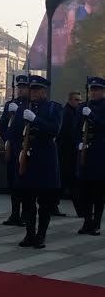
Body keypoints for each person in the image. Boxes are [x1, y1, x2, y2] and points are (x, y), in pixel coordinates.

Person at [13, 75, 62, 249]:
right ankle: (30, 234)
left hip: (45, 159)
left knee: (45, 202)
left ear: (44, 91)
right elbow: (14, 131)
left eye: (36, 89)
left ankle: (41, 235)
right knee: (27, 200)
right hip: (27, 158)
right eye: (31, 89)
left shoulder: (53, 108)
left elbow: (54, 130)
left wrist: (36, 120)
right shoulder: (23, 108)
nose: (33, 92)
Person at [0, 75, 29, 226]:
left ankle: (25, 215)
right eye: (19, 87)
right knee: (13, 183)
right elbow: (2, 126)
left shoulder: (30, 105)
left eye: (23, 88)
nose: (20, 90)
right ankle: (14, 213)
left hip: (25, 147)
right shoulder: (10, 104)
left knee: (24, 184)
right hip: (13, 147)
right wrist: (7, 141)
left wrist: (20, 111)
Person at [76, 76, 105, 236]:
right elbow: (75, 128)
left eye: (97, 89)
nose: (94, 92)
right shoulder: (83, 107)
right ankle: (87, 221)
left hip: (100, 154)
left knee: (98, 192)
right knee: (84, 191)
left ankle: (96, 223)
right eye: (92, 90)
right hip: (85, 153)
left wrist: (92, 116)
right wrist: (78, 143)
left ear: (103, 91)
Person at [53, 90, 83, 217]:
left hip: (69, 153)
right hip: (66, 153)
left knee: (64, 182)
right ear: (70, 100)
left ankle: (52, 205)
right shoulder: (67, 113)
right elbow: (68, 133)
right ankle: (81, 211)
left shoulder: (73, 112)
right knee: (72, 183)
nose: (79, 102)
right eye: (76, 100)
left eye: (80, 100)